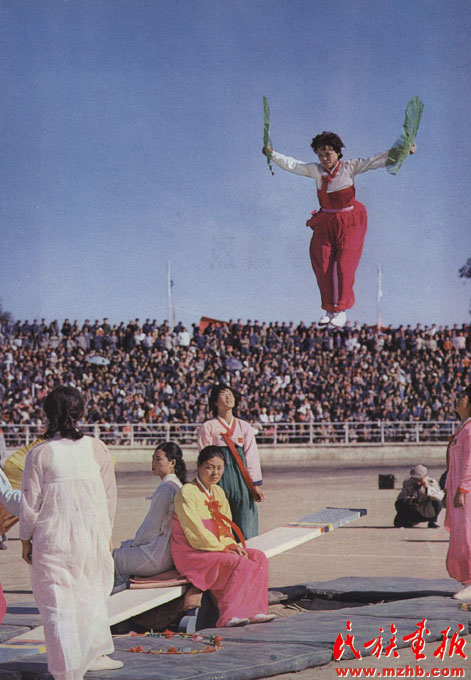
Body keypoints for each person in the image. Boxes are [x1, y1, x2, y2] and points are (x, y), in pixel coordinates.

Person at [19, 386, 123, 679]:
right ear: (80, 412)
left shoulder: (39, 453)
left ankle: (67, 671)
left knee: (57, 605)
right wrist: (106, 532)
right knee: (91, 596)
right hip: (91, 535)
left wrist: (25, 540)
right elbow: (109, 496)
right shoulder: (97, 447)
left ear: (48, 414)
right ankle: (94, 655)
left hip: (53, 538)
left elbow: (30, 504)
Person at [264, 134, 416, 328]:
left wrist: (403, 151)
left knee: (344, 264)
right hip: (326, 221)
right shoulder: (315, 170)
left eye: (328, 153)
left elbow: (375, 161)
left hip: (349, 221)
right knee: (322, 263)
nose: (324, 158)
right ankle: (329, 309)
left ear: (337, 152)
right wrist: (272, 154)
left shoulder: (349, 167)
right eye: (320, 155)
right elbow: (293, 165)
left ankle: (341, 309)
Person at [171, 445, 274, 627]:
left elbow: (225, 528)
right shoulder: (187, 492)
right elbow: (196, 533)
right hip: (193, 552)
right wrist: (224, 548)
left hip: (215, 548)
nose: (215, 473)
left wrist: (231, 545)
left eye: (219, 468)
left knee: (258, 557)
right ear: (199, 466)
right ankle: (229, 615)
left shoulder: (218, 492)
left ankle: (256, 610)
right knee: (239, 563)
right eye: (209, 467)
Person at [112, 441, 186, 587]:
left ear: (172, 463)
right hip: (167, 553)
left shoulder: (166, 488)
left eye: (158, 459)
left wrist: (134, 544)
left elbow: (151, 527)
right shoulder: (177, 484)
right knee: (124, 549)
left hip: (156, 556)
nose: (153, 463)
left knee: (109, 558)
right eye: (153, 459)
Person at [197, 384, 264, 539]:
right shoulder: (208, 427)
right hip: (218, 478)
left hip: (241, 480)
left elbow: (251, 456)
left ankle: (247, 552)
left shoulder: (244, 426)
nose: (229, 397)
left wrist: (254, 485)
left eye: (231, 394)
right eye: (223, 394)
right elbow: (204, 457)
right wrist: (207, 484)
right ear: (215, 402)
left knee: (246, 520)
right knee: (220, 522)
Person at [445, 385, 471, 601]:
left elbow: (470, 463)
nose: (458, 399)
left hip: (467, 491)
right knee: (461, 535)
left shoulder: (470, 430)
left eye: (462, 397)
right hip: (458, 489)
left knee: (468, 534)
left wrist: (462, 490)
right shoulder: (464, 428)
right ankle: (467, 580)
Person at [393, 464, 444, 528]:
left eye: (420, 480)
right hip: (413, 510)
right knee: (399, 504)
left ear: (425, 477)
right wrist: (410, 500)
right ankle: (409, 520)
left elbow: (439, 496)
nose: (418, 482)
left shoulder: (431, 482)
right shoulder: (407, 482)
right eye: (415, 479)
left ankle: (433, 521)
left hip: (426, 510)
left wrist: (427, 488)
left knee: (438, 502)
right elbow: (401, 497)